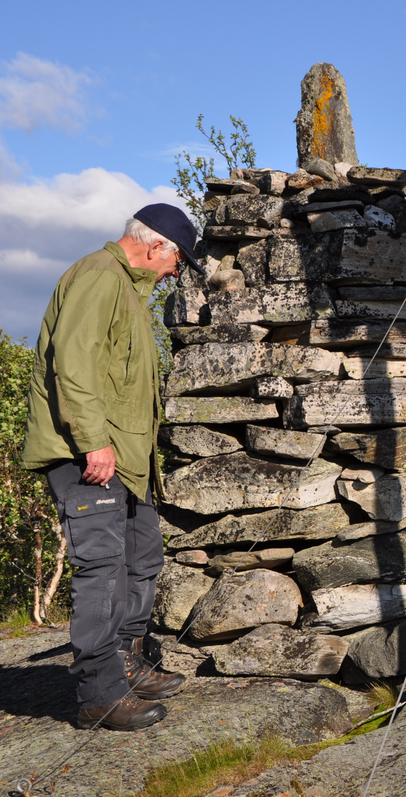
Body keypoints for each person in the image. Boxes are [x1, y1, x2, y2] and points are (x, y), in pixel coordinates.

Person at [22, 204, 201, 730]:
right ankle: (99, 694)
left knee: (141, 556)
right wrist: (93, 441)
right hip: (90, 455)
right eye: (178, 260)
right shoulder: (99, 277)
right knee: (101, 568)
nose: (176, 272)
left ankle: (125, 663)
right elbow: (71, 363)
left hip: (126, 460)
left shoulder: (127, 289)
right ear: (154, 246)